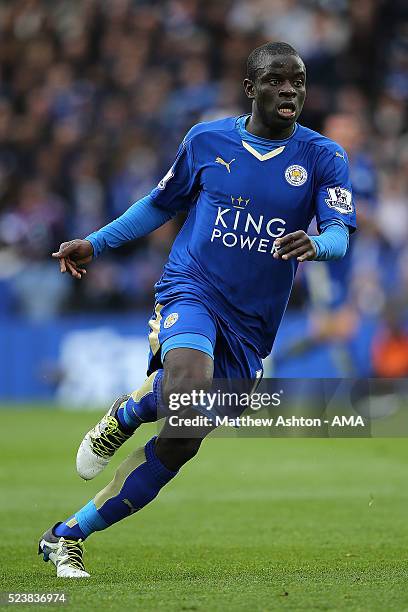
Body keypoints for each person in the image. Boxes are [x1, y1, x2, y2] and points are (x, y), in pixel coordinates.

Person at [38, 42, 356, 578]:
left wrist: (316, 244)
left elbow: (340, 235)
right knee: (187, 383)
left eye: (298, 82)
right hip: (193, 288)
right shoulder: (207, 140)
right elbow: (162, 204)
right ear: (251, 88)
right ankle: (129, 414)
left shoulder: (325, 156)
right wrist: (97, 242)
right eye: (277, 81)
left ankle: (67, 533)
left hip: (253, 325)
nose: (290, 91)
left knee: (181, 438)